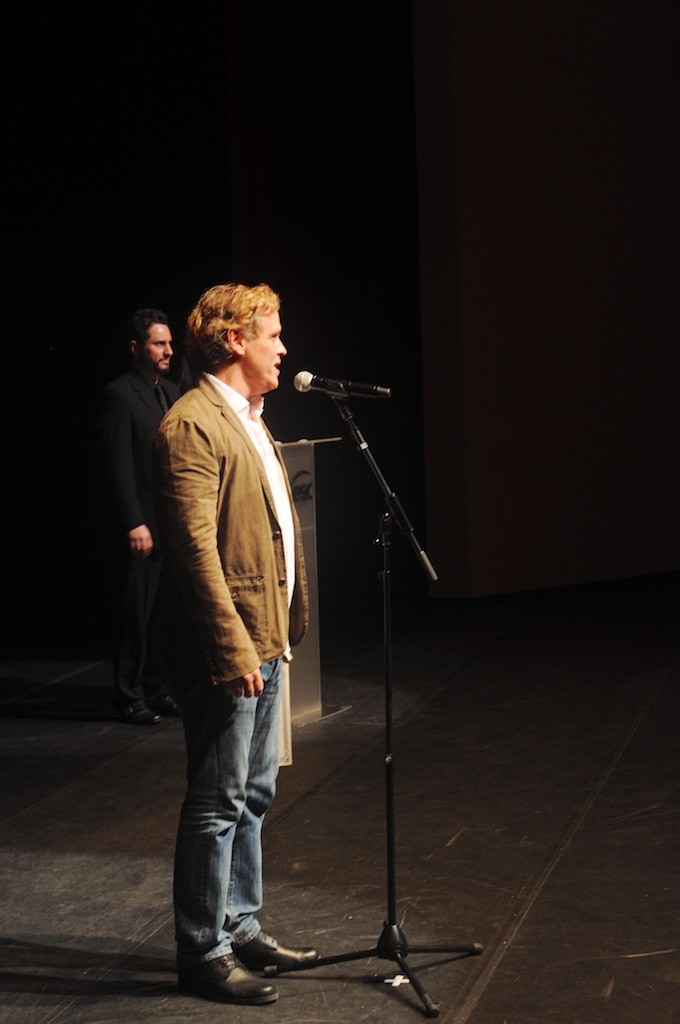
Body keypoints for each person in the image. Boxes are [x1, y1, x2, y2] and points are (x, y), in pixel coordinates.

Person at [152, 282, 318, 1006]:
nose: (283, 347)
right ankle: (203, 950)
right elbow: (193, 551)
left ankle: (241, 922)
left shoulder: (253, 419)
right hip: (232, 650)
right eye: (272, 335)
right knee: (217, 799)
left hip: (268, 639)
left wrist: (274, 636)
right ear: (233, 341)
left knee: (253, 793)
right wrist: (232, 648)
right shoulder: (193, 423)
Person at [98, 308, 182, 724]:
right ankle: (129, 694)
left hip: (170, 522)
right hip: (144, 524)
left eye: (169, 343)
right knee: (136, 612)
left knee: (161, 613)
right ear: (136, 347)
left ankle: (156, 686)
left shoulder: (169, 391)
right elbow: (119, 465)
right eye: (158, 343)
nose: (168, 350)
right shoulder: (119, 394)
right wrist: (134, 521)